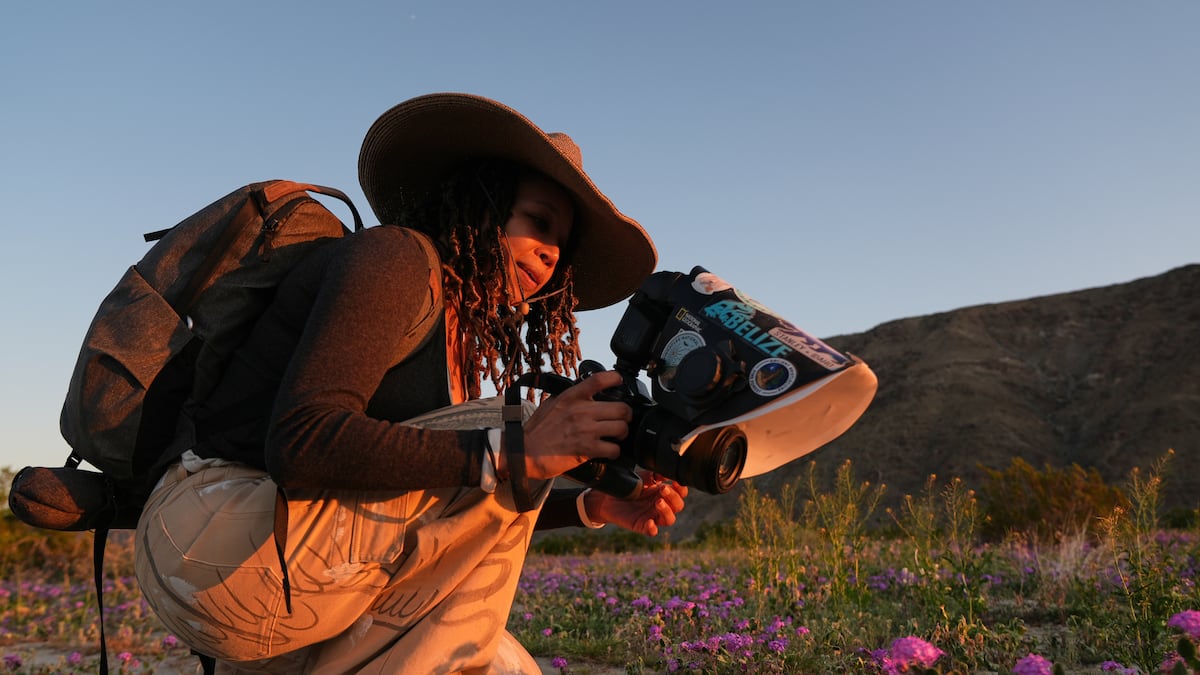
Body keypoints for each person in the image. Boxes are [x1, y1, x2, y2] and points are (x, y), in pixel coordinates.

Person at [133, 92, 689, 674]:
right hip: (214, 541)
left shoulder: (463, 336)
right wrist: (519, 448)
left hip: (294, 559)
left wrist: (592, 505)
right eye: (538, 222)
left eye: (561, 247)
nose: (550, 253)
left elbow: (441, 500)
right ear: (484, 203)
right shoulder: (395, 260)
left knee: (507, 668)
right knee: (518, 431)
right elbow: (300, 443)